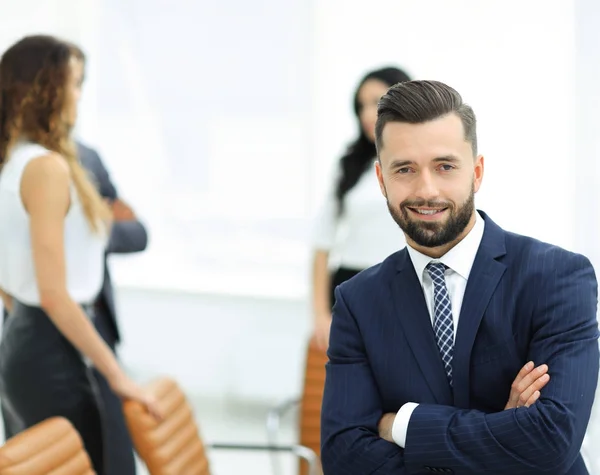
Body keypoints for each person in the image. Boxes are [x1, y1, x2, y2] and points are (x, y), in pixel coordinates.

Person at [320, 80, 599, 474]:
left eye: (445, 166)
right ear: (382, 180)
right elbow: (344, 456)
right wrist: (503, 431)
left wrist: (401, 423)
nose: (427, 190)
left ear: (477, 172)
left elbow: (551, 440)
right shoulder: (358, 302)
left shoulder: (557, 277)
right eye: (405, 169)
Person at [0, 35, 159, 474]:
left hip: (30, 338)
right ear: (46, 89)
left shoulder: (16, 160)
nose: (79, 96)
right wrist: (118, 375)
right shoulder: (45, 168)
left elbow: (18, 276)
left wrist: (27, 311)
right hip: (53, 345)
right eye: (75, 83)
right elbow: (54, 294)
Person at [311, 66, 410, 351]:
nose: (367, 114)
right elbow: (321, 243)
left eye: (376, 102)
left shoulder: (419, 162)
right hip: (351, 285)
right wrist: (320, 314)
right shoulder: (351, 166)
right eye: (360, 106)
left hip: (401, 287)